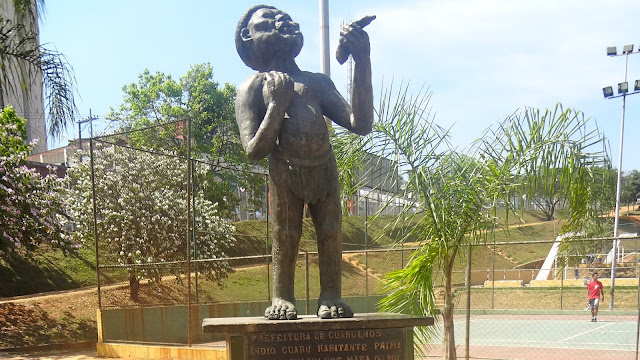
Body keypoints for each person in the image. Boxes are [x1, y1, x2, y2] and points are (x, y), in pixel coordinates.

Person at [234, 5, 373, 320]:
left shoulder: (317, 82)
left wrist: (362, 60)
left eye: (284, 15)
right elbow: (254, 149)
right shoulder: (253, 87)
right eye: (269, 19)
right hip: (285, 170)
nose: (281, 19)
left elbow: (360, 123)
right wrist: (276, 105)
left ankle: (331, 295)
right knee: (285, 232)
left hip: (324, 167)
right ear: (248, 36)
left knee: (331, 230)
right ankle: (282, 296)